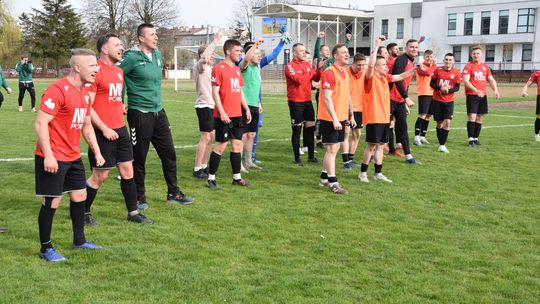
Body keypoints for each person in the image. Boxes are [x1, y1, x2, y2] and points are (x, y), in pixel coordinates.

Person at [35, 48, 104, 262]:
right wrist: (48, 155)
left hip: (73, 155)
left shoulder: (85, 93)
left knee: (79, 195)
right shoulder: (57, 90)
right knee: (53, 201)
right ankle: (46, 248)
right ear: (77, 67)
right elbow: (40, 123)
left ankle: (79, 240)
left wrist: (97, 151)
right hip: (53, 156)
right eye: (92, 65)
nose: (97, 69)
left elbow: (86, 125)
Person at [119, 23, 194, 209]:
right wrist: (120, 101)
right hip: (139, 114)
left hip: (159, 113)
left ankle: (173, 192)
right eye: (152, 35)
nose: (156, 37)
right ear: (141, 38)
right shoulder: (131, 58)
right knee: (139, 157)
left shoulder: (158, 55)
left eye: (156, 34)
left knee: (169, 153)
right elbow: (117, 77)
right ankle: (139, 196)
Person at [83, 34, 153, 226]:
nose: (121, 47)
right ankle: (83, 211)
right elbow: (87, 105)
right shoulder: (95, 71)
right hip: (101, 131)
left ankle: (133, 213)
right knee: (101, 175)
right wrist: (104, 129)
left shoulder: (119, 72)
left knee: (127, 170)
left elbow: (113, 95)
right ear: (104, 49)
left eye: (121, 44)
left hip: (120, 129)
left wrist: (120, 104)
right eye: (116, 45)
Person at [359, 36, 418, 183]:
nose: (386, 66)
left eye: (386, 64)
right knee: (371, 146)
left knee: (380, 146)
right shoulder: (370, 77)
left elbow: (400, 76)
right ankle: (363, 173)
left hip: (385, 117)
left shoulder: (386, 77)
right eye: (383, 64)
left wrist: (415, 69)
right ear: (376, 67)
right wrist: (377, 45)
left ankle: (378, 173)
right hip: (375, 117)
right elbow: (370, 65)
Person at [206, 39, 252, 189]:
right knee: (221, 146)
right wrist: (222, 112)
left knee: (237, 145)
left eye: (240, 51)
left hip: (237, 114)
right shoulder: (218, 69)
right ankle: (211, 178)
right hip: (223, 116)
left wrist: (246, 108)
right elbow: (215, 93)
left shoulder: (237, 70)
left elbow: (239, 92)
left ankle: (237, 178)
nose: (240, 54)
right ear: (228, 51)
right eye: (237, 51)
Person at [318, 44, 355, 194]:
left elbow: (348, 96)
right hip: (329, 117)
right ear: (335, 56)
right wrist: (334, 119)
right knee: (332, 148)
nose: (347, 55)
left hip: (341, 117)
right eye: (343, 53)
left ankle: (324, 177)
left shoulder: (345, 73)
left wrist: (350, 115)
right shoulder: (329, 72)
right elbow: (327, 98)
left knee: (334, 148)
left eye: (347, 52)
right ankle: (333, 182)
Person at [285, 43, 321, 166]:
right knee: (297, 130)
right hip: (296, 102)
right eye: (301, 51)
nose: (304, 53)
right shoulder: (289, 66)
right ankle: (297, 158)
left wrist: (319, 69)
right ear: (294, 53)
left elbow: (315, 78)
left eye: (304, 51)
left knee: (310, 128)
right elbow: (299, 80)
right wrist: (312, 71)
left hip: (307, 101)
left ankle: (311, 156)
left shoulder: (306, 64)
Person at [193, 32, 222, 179]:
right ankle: (197, 168)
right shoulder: (200, 66)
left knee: (211, 137)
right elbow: (205, 56)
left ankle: (204, 166)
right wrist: (216, 40)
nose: (213, 57)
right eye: (211, 55)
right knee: (205, 137)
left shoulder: (211, 69)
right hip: (203, 106)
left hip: (212, 106)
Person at [389, 39, 421, 164]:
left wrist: (404, 98)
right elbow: (397, 79)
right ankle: (388, 150)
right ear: (406, 48)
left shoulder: (411, 62)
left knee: (402, 127)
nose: (414, 49)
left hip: (400, 100)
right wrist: (406, 97)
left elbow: (405, 83)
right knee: (387, 126)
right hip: (390, 99)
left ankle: (409, 156)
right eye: (411, 47)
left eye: (416, 47)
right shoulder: (402, 59)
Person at [462, 46, 500, 147]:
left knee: (480, 117)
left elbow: (491, 79)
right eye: (474, 53)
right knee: (472, 117)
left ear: (481, 54)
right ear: (471, 55)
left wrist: (495, 90)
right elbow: (466, 81)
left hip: (482, 96)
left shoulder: (485, 67)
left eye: (478, 53)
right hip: (472, 95)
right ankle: (470, 140)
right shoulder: (468, 66)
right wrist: (476, 90)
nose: (476, 55)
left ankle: (475, 138)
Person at [239, 38, 265, 170]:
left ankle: (248, 161)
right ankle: (238, 164)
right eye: (256, 53)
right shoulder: (244, 66)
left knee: (251, 135)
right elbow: (246, 59)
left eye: (260, 53)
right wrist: (255, 45)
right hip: (244, 105)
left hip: (254, 105)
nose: (259, 55)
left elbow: (256, 88)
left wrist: (259, 103)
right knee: (243, 135)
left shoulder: (257, 69)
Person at [430, 53, 461, 153]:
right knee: (439, 123)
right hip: (437, 100)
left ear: (453, 61)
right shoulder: (438, 70)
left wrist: (449, 91)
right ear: (443, 60)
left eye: (450, 60)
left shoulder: (456, 72)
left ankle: (442, 145)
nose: (448, 61)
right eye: (446, 59)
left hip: (449, 101)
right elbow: (432, 83)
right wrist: (440, 88)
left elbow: (457, 87)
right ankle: (441, 143)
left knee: (447, 122)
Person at [344, 53, 367, 169]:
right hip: (346, 107)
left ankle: (351, 158)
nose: (361, 67)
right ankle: (345, 161)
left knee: (357, 134)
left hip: (360, 108)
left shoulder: (364, 72)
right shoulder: (346, 73)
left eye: (363, 65)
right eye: (359, 65)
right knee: (346, 133)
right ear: (353, 63)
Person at [414, 49, 437, 146]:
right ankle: (416, 137)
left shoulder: (433, 67)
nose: (429, 58)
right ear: (424, 57)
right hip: (424, 93)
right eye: (427, 56)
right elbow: (428, 73)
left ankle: (423, 136)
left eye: (431, 57)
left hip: (433, 93)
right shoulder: (420, 66)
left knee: (428, 116)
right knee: (422, 115)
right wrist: (434, 65)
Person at [522, 69, 540, 141]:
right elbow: (527, 84)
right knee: (539, 116)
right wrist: (524, 91)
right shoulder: (537, 73)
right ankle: (537, 135)